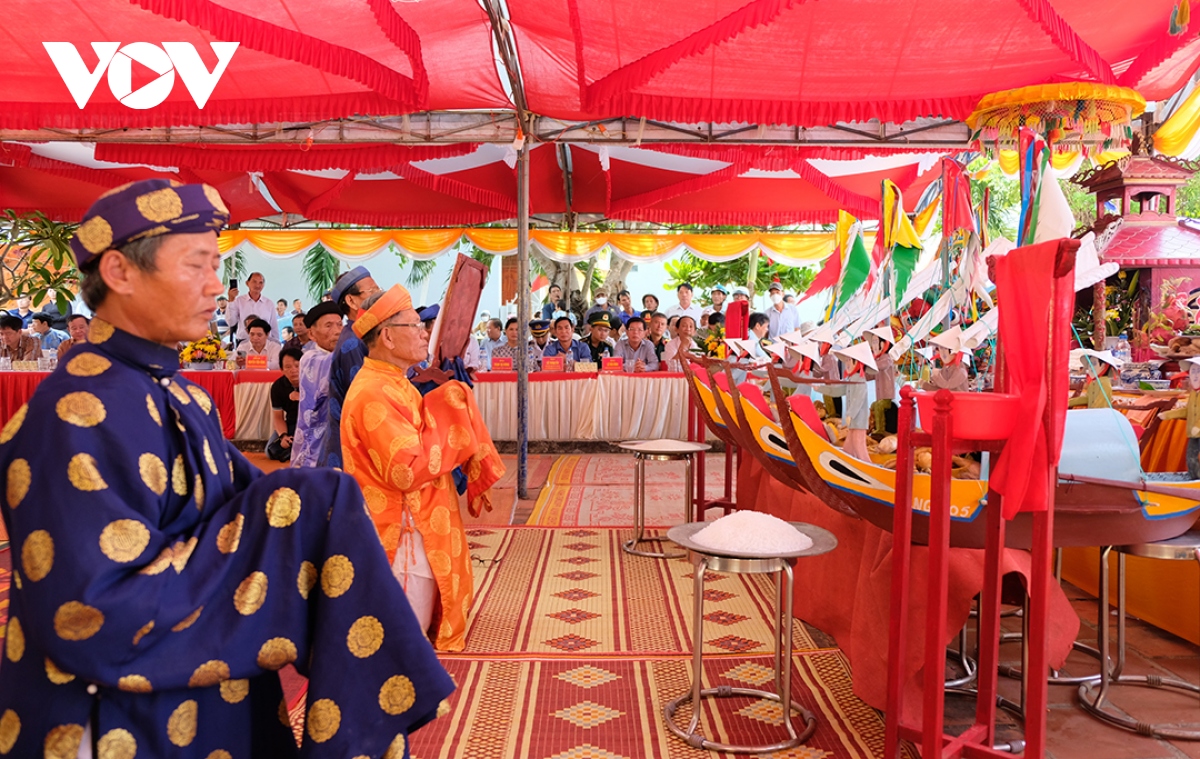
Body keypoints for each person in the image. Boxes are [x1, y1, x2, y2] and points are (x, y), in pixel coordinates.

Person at [0, 178, 452, 758]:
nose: (219, 286)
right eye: (198, 266)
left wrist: (312, 513)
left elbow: (245, 514)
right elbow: (87, 613)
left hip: (204, 700)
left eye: (217, 266)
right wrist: (303, 516)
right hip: (111, 720)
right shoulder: (72, 414)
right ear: (119, 272)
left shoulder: (185, 398)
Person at [341, 285, 505, 651]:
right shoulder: (373, 392)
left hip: (418, 521)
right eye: (414, 325)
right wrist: (450, 412)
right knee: (403, 642)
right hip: (402, 532)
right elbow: (406, 470)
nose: (424, 333)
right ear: (386, 335)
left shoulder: (394, 383)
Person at [320, 266, 381, 468]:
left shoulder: (363, 335)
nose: (379, 296)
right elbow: (364, 400)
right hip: (349, 447)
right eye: (372, 292)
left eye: (378, 289)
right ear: (351, 301)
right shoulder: (353, 343)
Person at [291, 301, 343, 468]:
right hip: (314, 439)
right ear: (312, 334)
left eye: (340, 324)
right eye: (328, 326)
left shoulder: (340, 354)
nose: (337, 331)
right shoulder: (311, 357)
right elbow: (334, 363)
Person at [266, 346, 303, 461]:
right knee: (269, 451)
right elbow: (278, 417)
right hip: (292, 423)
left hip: (312, 424)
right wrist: (283, 436)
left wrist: (303, 398)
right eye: (288, 367)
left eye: (297, 366)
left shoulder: (313, 381)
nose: (293, 370)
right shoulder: (277, 387)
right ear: (281, 369)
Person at [224, 271, 278, 346]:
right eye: (254, 282)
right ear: (247, 283)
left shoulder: (269, 303)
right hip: (244, 342)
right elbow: (231, 322)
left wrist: (276, 344)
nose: (257, 285)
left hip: (265, 343)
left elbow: (274, 327)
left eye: (260, 282)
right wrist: (231, 300)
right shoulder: (239, 301)